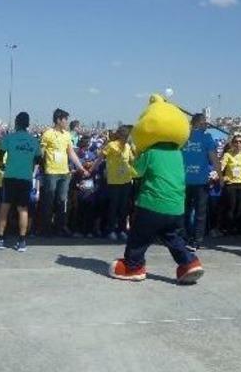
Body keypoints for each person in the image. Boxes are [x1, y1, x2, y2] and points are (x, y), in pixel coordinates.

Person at [109, 94, 203, 284]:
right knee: (173, 237)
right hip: (176, 207)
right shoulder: (177, 154)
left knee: (139, 236)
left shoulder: (150, 153)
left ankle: (133, 267)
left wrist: (133, 157)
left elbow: (135, 172)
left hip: (151, 204)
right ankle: (189, 263)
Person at [0, 112, 41, 252]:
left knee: (5, 207)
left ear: (16, 123)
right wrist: (29, 166)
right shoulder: (34, 140)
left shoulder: (9, 138)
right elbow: (38, 159)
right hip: (26, 178)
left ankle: (0, 239)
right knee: (23, 209)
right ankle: (21, 241)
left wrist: (3, 166)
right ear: (28, 123)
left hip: (10, 176)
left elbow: (0, 155)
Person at [39, 108, 88, 236]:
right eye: (65, 119)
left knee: (62, 201)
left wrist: (80, 167)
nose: (67, 122)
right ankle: (46, 228)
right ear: (58, 120)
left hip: (64, 173)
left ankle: (60, 227)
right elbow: (41, 153)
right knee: (49, 201)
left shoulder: (66, 135)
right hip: (51, 172)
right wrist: (41, 168)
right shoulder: (48, 134)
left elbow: (71, 153)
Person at [182, 113, 220, 249]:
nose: (207, 125)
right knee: (200, 212)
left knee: (184, 211)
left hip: (184, 180)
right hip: (200, 181)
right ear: (198, 122)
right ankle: (196, 240)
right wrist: (220, 176)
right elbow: (214, 158)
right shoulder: (206, 137)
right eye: (205, 123)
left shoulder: (183, 137)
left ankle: (184, 237)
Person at [92, 125, 135, 241]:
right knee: (113, 207)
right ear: (121, 135)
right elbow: (100, 158)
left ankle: (122, 230)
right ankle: (110, 230)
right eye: (126, 136)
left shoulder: (128, 147)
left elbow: (132, 161)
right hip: (114, 182)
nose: (127, 138)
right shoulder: (111, 145)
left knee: (123, 207)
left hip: (126, 181)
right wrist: (91, 169)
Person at [218, 137, 241, 236]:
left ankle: (238, 227)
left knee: (240, 208)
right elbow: (222, 167)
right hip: (231, 184)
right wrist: (219, 176)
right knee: (231, 207)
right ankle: (229, 228)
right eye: (236, 142)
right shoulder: (227, 154)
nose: (238, 143)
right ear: (232, 143)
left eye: (240, 142)